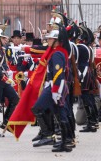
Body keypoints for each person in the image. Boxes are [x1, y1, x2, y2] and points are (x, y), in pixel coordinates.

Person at [32, 24, 73, 152]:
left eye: (50, 39)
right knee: (60, 113)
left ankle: (52, 135)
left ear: (56, 41)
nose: (47, 40)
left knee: (38, 108)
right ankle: (65, 141)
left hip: (56, 87)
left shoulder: (57, 54)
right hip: (56, 86)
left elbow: (58, 74)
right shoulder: (58, 52)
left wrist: (56, 91)